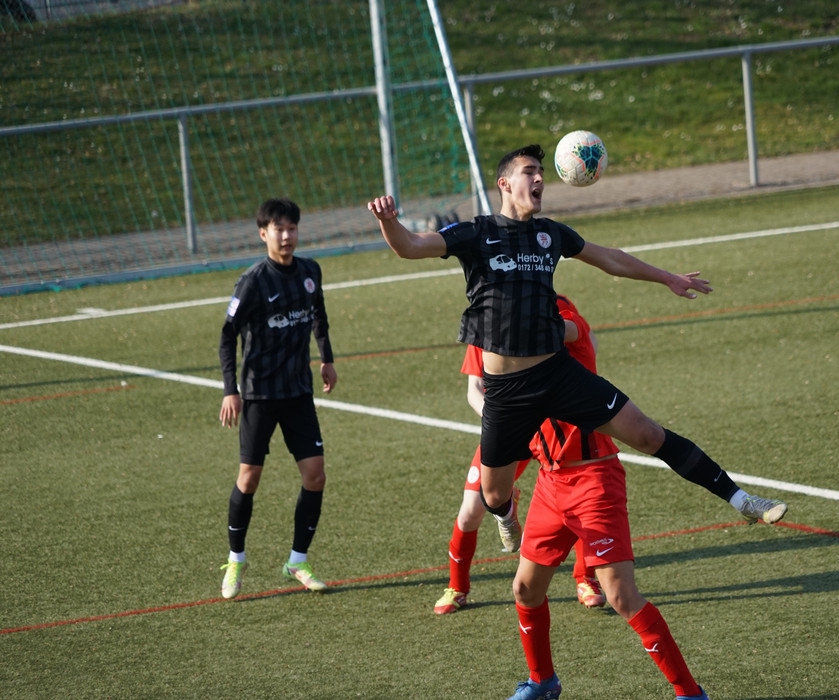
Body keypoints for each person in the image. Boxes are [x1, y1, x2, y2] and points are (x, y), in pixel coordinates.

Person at [366, 143, 786, 546]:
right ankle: (507, 515)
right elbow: (410, 246)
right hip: (506, 392)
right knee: (492, 495)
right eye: (529, 172)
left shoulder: (551, 234)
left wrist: (668, 278)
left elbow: (611, 258)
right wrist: (388, 221)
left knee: (646, 434)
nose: (539, 179)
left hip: (558, 374)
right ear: (504, 184)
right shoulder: (476, 233)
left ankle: (741, 499)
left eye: (541, 173)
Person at [509, 294, 708, 700]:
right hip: (550, 481)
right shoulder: (503, 322)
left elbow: (566, 332)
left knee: (620, 596)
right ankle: (542, 682)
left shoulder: (560, 314)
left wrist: (506, 328)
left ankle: (690, 693)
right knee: (526, 589)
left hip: (593, 479)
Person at [434, 296, 607, 616]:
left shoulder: (555, 307)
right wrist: (501, 423)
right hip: (511, 427)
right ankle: (457, 586)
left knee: (579, 501)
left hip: (556, 429)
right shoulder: (485, 319)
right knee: (471, 510)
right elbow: (474, 389)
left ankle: (586, 579)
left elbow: (588, 341)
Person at [217, 197, 338, 599]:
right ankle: (236, 559)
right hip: (259, 394)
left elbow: (318, 313)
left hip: (298, 391)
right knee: (249, 478)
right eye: (278, 229)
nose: (286, 236)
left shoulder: (310, 271)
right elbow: (227, 335)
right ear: (263, 234)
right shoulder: (252, 282)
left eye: (292, 228)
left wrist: (326, 359)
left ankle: (297, 561)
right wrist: (231, 390)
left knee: (315, 475)